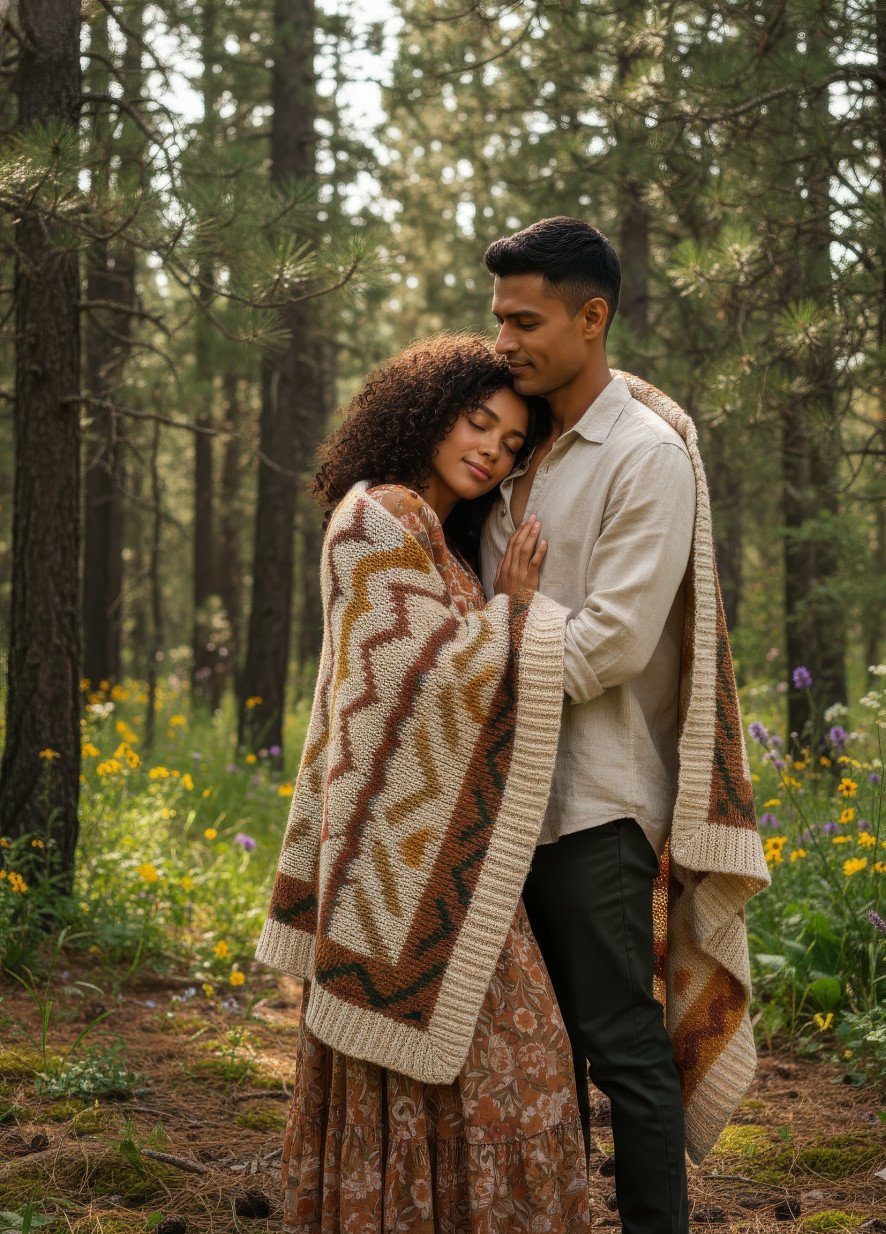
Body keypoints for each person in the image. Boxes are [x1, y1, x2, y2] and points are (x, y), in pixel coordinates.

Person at [255, 333, 589, 1233]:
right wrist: (515, 613)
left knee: (511, 1066)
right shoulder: (378, 514)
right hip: (395, 868)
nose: (491, 451)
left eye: (511, 443)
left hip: (433, 853)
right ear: (427, 412)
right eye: (477, 422)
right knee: (516, 1065)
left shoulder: (439, 533)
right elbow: (417, 677)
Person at [479, 217, 770, 1234]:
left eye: (526, 320)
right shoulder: (516, 446)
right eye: (498, 317)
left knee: (621, 1048)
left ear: (592, 317)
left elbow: (614, 642)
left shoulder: (645, 455)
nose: (504, 340)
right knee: (533, 1050)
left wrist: (491, 648)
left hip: (593, 807)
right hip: (503, 806)